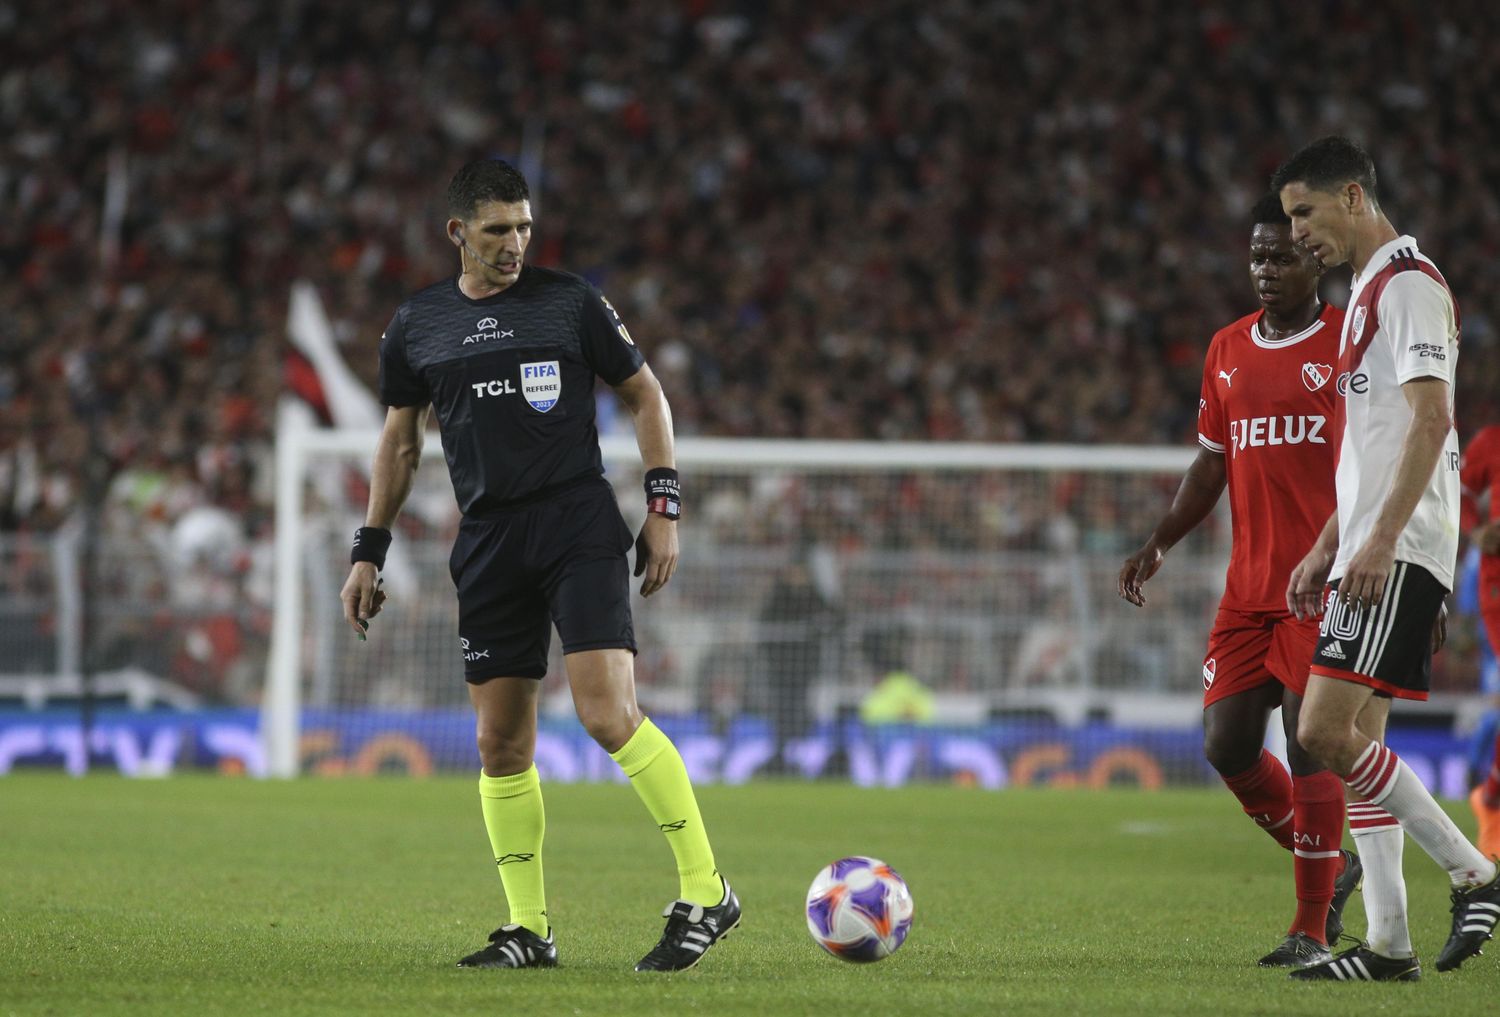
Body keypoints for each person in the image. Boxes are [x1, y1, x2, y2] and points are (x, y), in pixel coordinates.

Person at [338, 158, 739, 973]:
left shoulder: (570, 301)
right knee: (499, 741)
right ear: (458, 232)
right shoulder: (418, 324)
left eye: (523, 226)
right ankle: (529, 929)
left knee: (605, 713)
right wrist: (368, 551)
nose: (515, 243)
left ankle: (707, 891)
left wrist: (664, 508)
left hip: (577, 522)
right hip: (487, 541)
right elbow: (401, 443)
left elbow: (645, 395)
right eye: (497, 230)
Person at [1276, 135, 1498, 982]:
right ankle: (1389, 944)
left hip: (1395, 548)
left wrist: (1376, 542)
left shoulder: (1407, 284)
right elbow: (1374, 446)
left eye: (1306, 212)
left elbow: (1433, 421)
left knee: (1322, 729)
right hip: (1372, 545)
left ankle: (1475, 874)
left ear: (1354, 197)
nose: (1298, 233)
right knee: (1360, 737)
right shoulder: (1371, 288)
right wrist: (1329, 541)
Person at [1119, 195, 1359, 968]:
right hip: (1246, 590)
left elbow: (1378, 462)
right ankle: (1332, 860)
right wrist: (1161, 539)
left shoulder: (1345, 343)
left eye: (1280, 255)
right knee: (1225, 745)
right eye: (1256, 257)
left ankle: (1312, 924)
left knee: (1307, 740)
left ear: (1312, 259)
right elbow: (1213, 461)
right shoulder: (1227, 348)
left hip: (1319, 584)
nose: (1264, 269)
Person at [1459, 424, 1500, 856]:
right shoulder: (1488, 442)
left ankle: (1488, 795)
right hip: (1496, 588)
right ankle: (1484, 792)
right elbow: (1463, 495)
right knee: (1494, 714)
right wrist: (1476, 533)